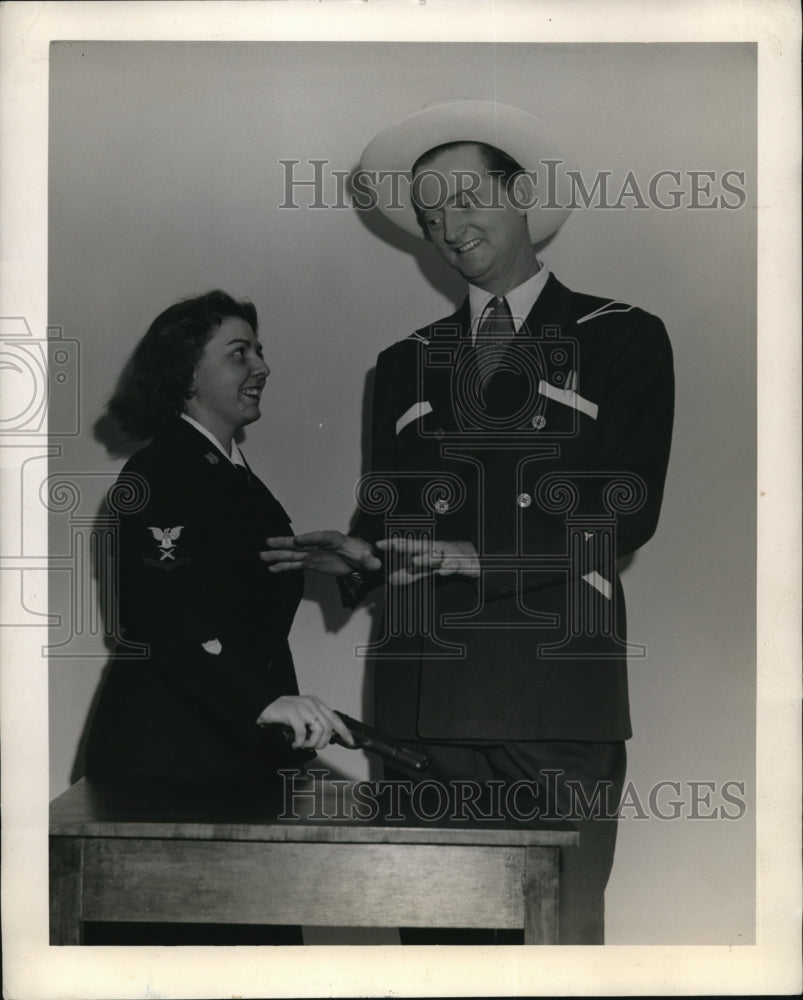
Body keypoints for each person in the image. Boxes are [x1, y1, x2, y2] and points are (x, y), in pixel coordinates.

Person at [261, 100, 675, 945]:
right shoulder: (403, 363)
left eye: (462, 198)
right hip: (423, 706)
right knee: (438, 947)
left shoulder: (620, 337)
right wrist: (360, 556)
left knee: (553, 945)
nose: (447, 228)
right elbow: (391, 518)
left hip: (551, 705)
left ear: (520, 195)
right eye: (428, 216)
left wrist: (475, 557)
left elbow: (625, 508)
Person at [83, 290, 353, 944]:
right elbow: (161, 615)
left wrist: (349, 568)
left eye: (259, 350)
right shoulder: (160, 471)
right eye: (239, 353)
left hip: (227, 758)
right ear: (185, 374)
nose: (261, 365)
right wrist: (264, 703)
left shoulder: (228, 476)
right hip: (168, 769)